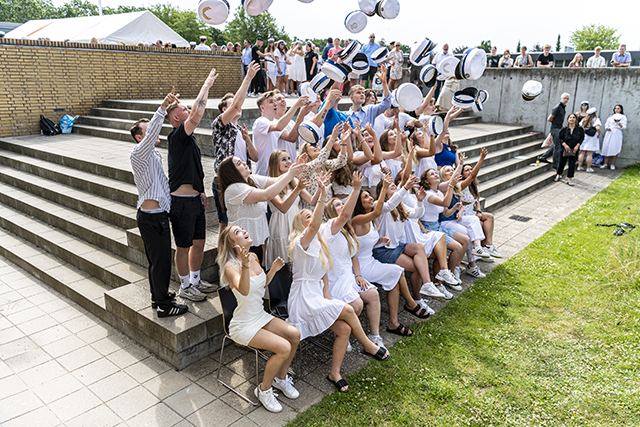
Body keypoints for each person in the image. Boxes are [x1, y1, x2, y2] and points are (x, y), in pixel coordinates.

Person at [288, 179, 390, 394]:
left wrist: (327, 294)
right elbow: (329, 220)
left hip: (318, 294)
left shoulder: (319, 242)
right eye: (306, 217)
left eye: (311, 214)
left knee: (344, 328)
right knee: (351, 308)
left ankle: (335, 373)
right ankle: (368, 345)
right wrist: (349, 189)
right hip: (304, 297)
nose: (311, 218)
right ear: (302, 225)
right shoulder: (303, 241)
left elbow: (324, 270)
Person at [217, 226, 300, 413]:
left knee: (294, 335)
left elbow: (260, 288)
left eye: (242, 229)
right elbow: (244, 290)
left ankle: (281, 379)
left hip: (260, 315)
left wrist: (272, 272)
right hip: (243, 324)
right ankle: (264, 390)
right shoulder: (231, 267)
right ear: (232, 244)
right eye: (237, 232)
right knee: (283, 347)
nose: (244, 231)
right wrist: (245, 264)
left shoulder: (253, 257)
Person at [130, 88, 187, 317]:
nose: (155, 132)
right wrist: (163, 108)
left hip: (157, 216)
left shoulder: (153, 155)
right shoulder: (139, 153)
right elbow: (154, 126)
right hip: (152, 218)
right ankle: (164, 305)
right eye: (148, 130)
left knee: (157, 261)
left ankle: (158, 296)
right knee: (161, 261)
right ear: (139, 137)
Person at [352, 176, 430, 337]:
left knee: (396, 275)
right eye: (365, 197)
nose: (370, 198)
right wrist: (401, 187)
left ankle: (393, 322)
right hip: (361, 266)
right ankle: (411, 303)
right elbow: (383, 208)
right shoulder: (359, 219)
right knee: (397, 272)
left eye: (370, 195)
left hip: (371, 258)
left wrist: (379, 240)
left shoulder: (371, 219)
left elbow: (363, 243)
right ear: (359, 203)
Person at [165, 69, 219, 302]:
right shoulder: (177, 136)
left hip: (195, 199)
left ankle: (196, 281)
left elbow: (195, 166)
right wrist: (206, 85)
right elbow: (197, 113)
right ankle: (185, 286)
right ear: (176, 118)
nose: (188, 111)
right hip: (181, 202)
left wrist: (203, 192)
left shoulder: (189, 139)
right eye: (183, 110)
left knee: (199, 243)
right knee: (183, 246)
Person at [321, 172, 384, 348]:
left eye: (342, 203)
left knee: (373, 294)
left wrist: (358, 275)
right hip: (334, 278)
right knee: (356, 305)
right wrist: (356, 187)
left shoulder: (348, 230)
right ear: (331, 212)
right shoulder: (330, 229)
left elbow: (353, 255)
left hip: (348, 274)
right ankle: (344, 335)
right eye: (338, 204)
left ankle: (375, 336)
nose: (342, 206)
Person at [218, 155, 305, 265]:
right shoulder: (233, 189)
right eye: (239, 164)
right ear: (231, 172)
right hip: (240, 245)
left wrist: (294, 168)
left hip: (255, 242)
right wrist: (291, 174)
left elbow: (277, 180)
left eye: (242, 161)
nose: (245, 163)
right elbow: (266, 195)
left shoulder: (252, 179)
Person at [211, 62, 261, 245]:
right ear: (225, 110)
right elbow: (237, 104)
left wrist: (248, 140)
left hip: (241, 182)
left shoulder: (240, 130)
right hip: (223, 182)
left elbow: (255, 157)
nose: (238, 105)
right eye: (232, 104)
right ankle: (223, 259)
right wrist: (248, 78)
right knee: (225, 223)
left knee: (238, 223)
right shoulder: (220, 126)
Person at [265, 149, 323, 265]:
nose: (288, 162)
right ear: (275, 164)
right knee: (283, 263)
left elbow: (312, 201)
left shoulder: (294, 181)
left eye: (289, 158)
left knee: (298, 260)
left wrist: (320, 187)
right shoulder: (270, 184)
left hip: (295, 224)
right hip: (280, 225)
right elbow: (283, 208)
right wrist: (298, 189)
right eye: (283, 160)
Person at [321, 65, 391, 136]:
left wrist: (384, 83)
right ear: (351, 98)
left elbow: (386, 104)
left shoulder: (370, 109)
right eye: (358, 93)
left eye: (363, 93)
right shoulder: (346, 116)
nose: (362, 95)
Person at [252, 91, 310, 176]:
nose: (275, 104)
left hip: (275, 173)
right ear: (262, 108)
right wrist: (295, 106)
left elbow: (291, 137)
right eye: (271, 102)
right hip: (264, 174)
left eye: (275, 101)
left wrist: (301, 116)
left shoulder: (273, 123)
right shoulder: (261, 122)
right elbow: (279, 126)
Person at [459, 157, 502, 258]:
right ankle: (480, 251)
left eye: (471, 169)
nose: (470, 171)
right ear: (462, 175)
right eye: (467, 170)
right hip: (464, 214)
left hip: (472, 212)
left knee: (489, 217)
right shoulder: (461, 185)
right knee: (482, 224)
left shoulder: (474, 185)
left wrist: (478, 211)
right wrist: (481, 158)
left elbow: (477, 200)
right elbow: (473, 175)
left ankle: (489, 246)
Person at [538, 93, 570, 169]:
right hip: (555, 128)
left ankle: (543, 157)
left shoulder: (562, 107)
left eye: (567, 99)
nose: (566, 100)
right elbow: (549, 118)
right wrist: (555, 124)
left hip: (559, 128)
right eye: (565, 98)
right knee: (557, 146)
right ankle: (555, 164)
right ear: (561, 98)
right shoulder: (558, 107)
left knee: (557, 145)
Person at [554, 113, 584, 185]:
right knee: (561, 162)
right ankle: (558, 174)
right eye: (570, 117)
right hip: (564, 148)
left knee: (572, 164)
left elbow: (581, 138)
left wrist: (577, 146)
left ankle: (569, 179)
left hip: (574, 149)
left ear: (576, 119)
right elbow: (559, 138)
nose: (572, 119)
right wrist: (564, 145)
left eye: (573, 118)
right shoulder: (564, 129)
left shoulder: (579, 129)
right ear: (568, 119)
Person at [600, 105, 627, 170]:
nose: (616, 110)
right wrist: (607, 128)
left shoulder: (623, 117)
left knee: (615, 147)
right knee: (607, 147)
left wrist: (619, 124)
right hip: (609, 133)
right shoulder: (611, 117)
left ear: (621, 109)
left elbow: (624, 126)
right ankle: (605, 163)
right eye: (615, 108)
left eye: (618, 108)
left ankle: (612, 164)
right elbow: (606, 124)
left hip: (617, 133)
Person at [577, 108, 601, 172]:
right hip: (592, 138)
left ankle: (579, 166)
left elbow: (580, 127)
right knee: (589, 154)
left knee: (582, 152)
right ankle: (588, 168)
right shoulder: (596, 119)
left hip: (584, 136)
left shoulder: (584, 119)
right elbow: (598, 128)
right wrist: (599, 134)